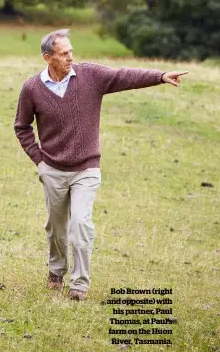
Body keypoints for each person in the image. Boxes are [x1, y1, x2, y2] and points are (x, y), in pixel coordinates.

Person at [14, 29, 188, 301]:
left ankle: (79, 284)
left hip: (86, 169)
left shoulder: (90, 76)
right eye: (63, 54)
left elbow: (124, 76)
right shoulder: (32, 89)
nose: (70, 57)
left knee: (81, 224)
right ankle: (56, 271)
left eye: (71, 51)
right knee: (56, 227)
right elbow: (22, 126)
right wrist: (39, 159)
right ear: (48, 58)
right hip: (53, 170)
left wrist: (160, 76)